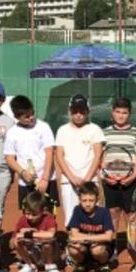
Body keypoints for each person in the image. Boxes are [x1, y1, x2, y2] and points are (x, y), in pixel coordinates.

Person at [102, 97, 136, 266]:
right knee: (112, 215)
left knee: (132, 216)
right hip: (110, 181)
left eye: (124, 112)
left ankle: (135, 251)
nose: (121, 115)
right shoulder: (104, 133)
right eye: (118, 112)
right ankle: (112, 251)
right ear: (112, 113)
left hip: (130, 182)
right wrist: (106, 176)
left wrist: (132, 176)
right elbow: (100, 157)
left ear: (130, 114)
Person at [54, 94, 104, 229]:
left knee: (92, 215)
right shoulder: (62, 130)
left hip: (90, 180)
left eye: (82, 111)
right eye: (75, 111)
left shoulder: (95, 129)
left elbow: (97, 155)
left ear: (87, 112)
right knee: (71, 217)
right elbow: (59, 156)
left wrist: (87, 179)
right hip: (68, 181)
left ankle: (91, 246)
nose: (78, 115)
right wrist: (72, 177)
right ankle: (73, 246)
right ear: (69, 111)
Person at [3, 95, 58, 214]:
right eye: (26, 116)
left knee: (48, 216)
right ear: (17, 117)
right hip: (26, 182)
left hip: (46, 180)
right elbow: (10, 158)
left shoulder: (44, 127)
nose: (31, 117)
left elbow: (49, 153)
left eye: (32, 113)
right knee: (28, 216)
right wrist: (23, 173)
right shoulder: (12, 133)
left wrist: (45, 179)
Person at [66, 182, 115, 272]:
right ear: (79, 200)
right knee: (73, 249)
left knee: (97, 249)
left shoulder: (104, 212)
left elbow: (109, 236)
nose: (87, 204)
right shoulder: (77, 210)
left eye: (91, 200)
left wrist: (84, 238)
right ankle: (82, 264)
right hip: (85, 246)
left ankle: (103, 265)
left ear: (97, 199)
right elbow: (73, 235)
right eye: (84, 201)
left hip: (101, 246)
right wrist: (97, 237)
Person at [10, 191, 61, 272]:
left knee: (47, 242)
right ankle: (30, 265)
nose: (30, 217)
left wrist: (28, 233)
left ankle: (50, 267)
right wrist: (19, 237)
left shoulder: (49, 219)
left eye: (34, 214)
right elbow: (11, 243)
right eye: (27, 213)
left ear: (43, 211)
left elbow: (51, 234)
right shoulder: (22, 220)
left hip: (49, 253)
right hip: (33, 253)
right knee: (16, 242)